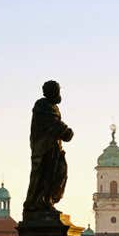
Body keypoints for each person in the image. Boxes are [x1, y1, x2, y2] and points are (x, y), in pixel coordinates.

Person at [23, 80, 74, 215]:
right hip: (44, 149)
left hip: (54, 149)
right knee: (44, 176)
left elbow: (55, 124)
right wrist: (66, 131)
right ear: (50, 92)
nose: (59, 93)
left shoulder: (52, 106)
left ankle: (48, 200)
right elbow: (52, 123)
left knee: (60, 172)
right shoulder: (42, 105)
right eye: (56, 90)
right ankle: (39, 202)